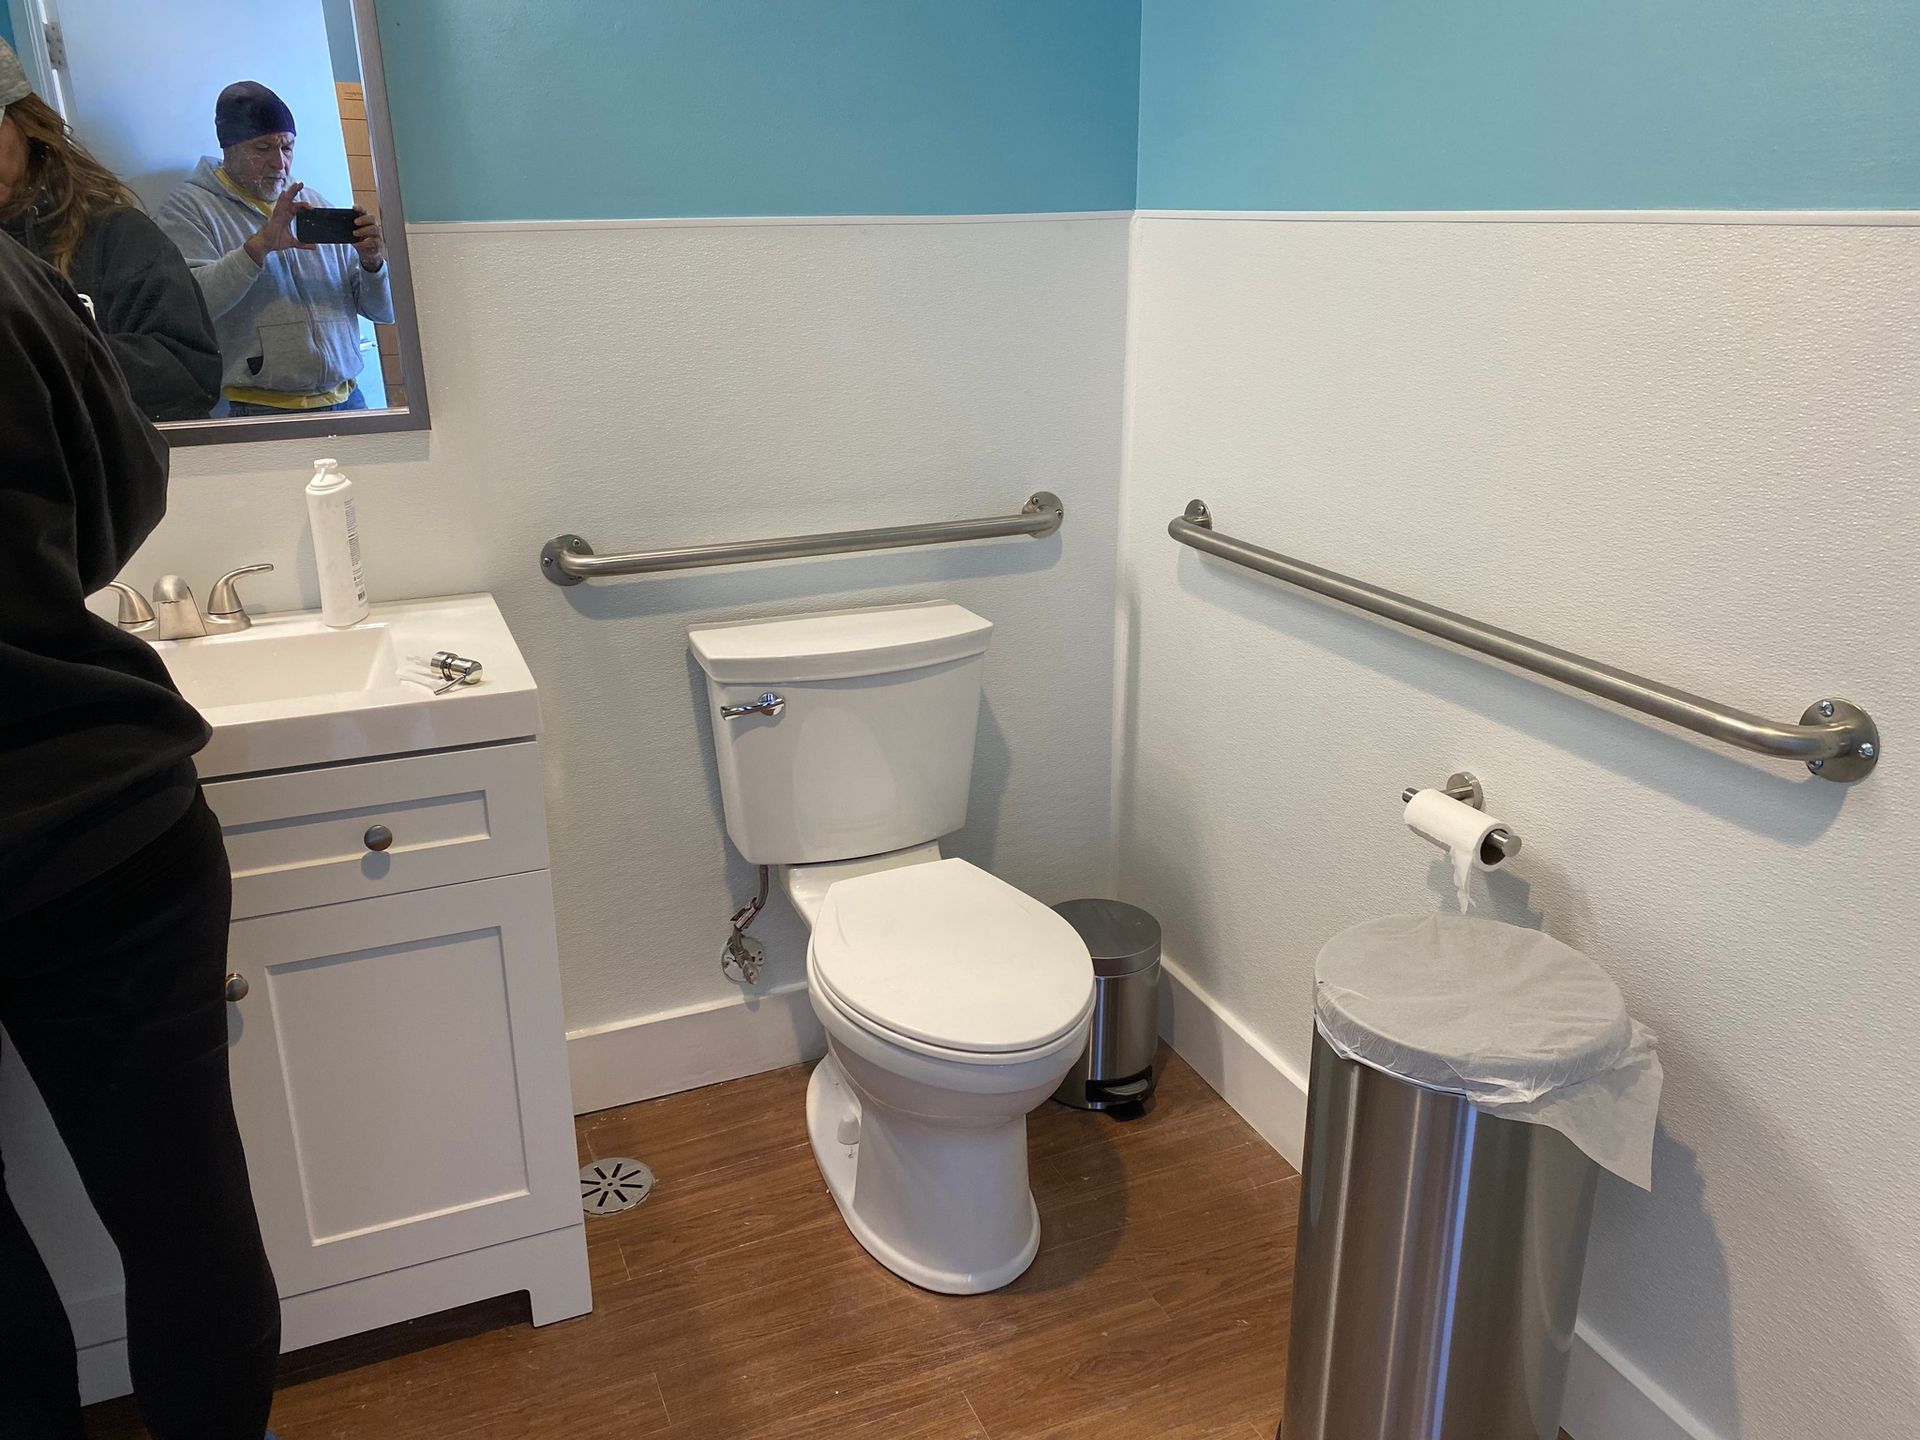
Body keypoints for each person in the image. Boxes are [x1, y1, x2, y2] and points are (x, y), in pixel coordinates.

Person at [0, 230, 280, 1438]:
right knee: (187, 1217)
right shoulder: (11, 278)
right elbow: (122, 487)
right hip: (98, 814)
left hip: (93, 825)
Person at [0, 40, 221, 421]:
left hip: (105, 457)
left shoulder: (116, 237)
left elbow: (188, 375)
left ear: (26, 124)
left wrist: (47, 355)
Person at [156, 80, 392, 416]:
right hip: (262, 408)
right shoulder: (188, 209)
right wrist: (258, 248)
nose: (279, 163)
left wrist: (372, 264)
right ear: (229, 148)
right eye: (263, 148)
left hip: (349, 400)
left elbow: (382, 312)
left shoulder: (312, 203)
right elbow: (190, 309)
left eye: (287, 148)